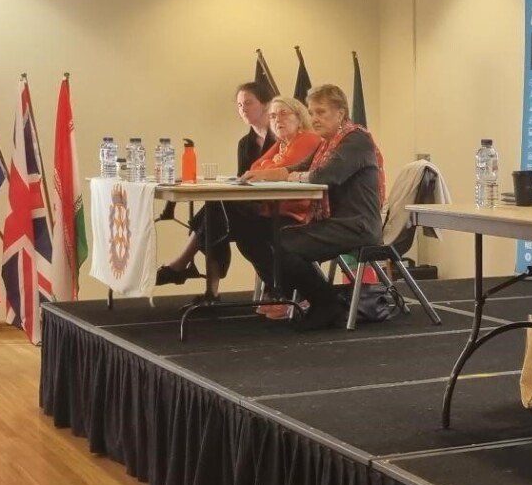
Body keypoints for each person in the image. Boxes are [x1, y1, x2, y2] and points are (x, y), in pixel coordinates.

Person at [267, 84, 386, 329]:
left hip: (357, 226)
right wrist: (270, 174)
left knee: (283, 245)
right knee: (272, 239)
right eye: (311, 113)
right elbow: (302, 167)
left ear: (341, 113)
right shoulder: (326, 143)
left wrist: (290, 176)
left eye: (320, 112)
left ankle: (325, 303)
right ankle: (322, 301)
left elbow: (325, 176)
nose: (314, 119)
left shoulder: (357, 139)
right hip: (336, 223)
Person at [157, 80, 278, 286]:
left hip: (271, 208)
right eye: (239, 105)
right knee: (215, 210)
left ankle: (189, 271)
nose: (243, 110)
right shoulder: (245, 142)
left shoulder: (279, 139)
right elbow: (243, 178)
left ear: (266, 104)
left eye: (248, 103)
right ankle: (197, 278)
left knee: (215, 211)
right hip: (247, 206)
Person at [229, 96, 322, 315]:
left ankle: (287, 292)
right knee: (238, 228)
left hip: (297, 214)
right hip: (274, 210)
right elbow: (255, 168)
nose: (277, 119)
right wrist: (266, 169)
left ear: (299, 117)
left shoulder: (307, 139)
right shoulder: (282, 144)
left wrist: (266, 168)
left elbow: (280, 170)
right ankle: (280, 290)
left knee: (244, 229)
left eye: (283, 114)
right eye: (272, 116)